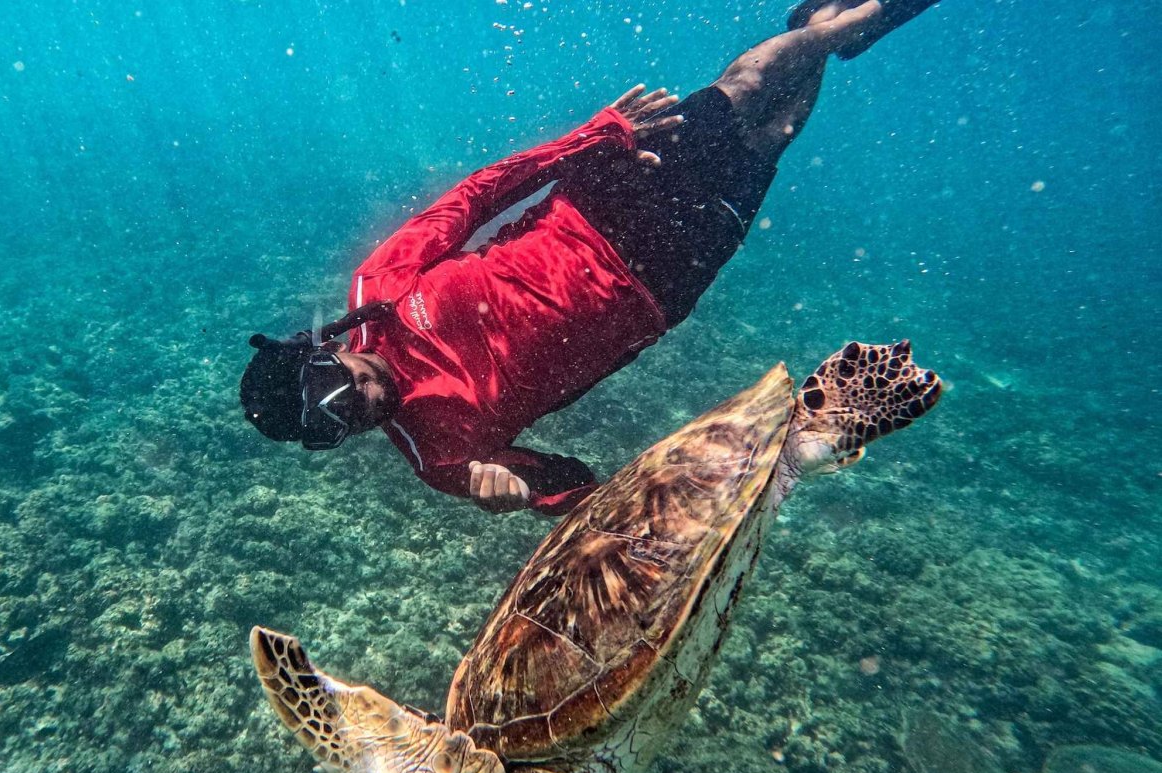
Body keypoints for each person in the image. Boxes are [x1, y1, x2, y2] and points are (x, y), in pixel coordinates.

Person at [240, 0, 942, 515]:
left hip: (598, 205)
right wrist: (519, 491)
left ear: (321, 343)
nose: (358, 402)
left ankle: (838, 28)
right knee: (771, 137)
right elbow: (583, 487)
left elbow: (479, 196)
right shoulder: (444, 454)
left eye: (336, 383)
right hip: (658, 290)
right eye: (336, 422)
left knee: (744, 94)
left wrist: (593, 137)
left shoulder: (380, 283)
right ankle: (818, 33)